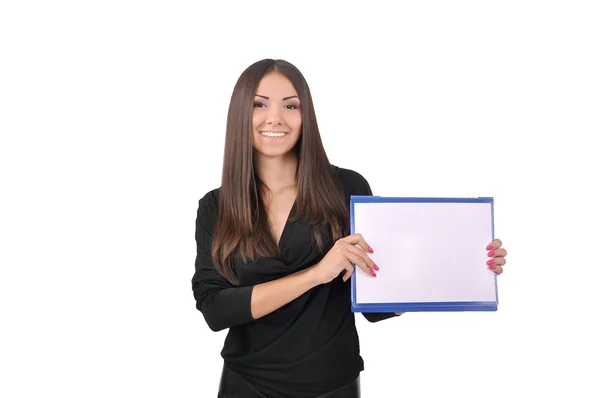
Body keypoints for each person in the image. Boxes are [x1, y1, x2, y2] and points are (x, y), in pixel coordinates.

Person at [191, 59, 508, 398]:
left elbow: (375, 304)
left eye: (291, 105)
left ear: (305, 115)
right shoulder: (217, 206)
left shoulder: (345, 187)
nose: (275, 118)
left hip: (332, 384)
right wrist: (317, 273)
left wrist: (463, 265)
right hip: (246, 384)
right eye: (259, 104)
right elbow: (216, 308)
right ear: (241, 112)